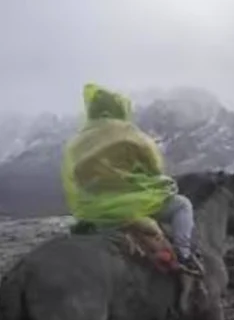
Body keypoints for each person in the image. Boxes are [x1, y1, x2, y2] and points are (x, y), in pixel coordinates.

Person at [61, 83, 201, 275]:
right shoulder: (130, 133)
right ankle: (183, 254)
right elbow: (155, 168)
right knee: (182, 205)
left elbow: (72, 178)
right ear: (119, 109)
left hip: (91, 212)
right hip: (131, 207)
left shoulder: (75, 142)